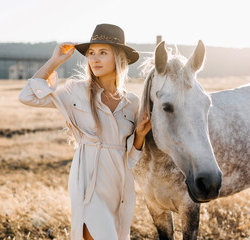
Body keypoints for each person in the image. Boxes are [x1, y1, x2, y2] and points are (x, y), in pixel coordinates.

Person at [18, 23, 151, 240]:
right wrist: (55, 61)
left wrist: (140, 136)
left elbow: (132, 158)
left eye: (102, 53)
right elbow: (27, 96)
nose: (94, 59)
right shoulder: (76, 91)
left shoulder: (132, 102)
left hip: (120, 183)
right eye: (91, 53)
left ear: (119, 58)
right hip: (89, 176)